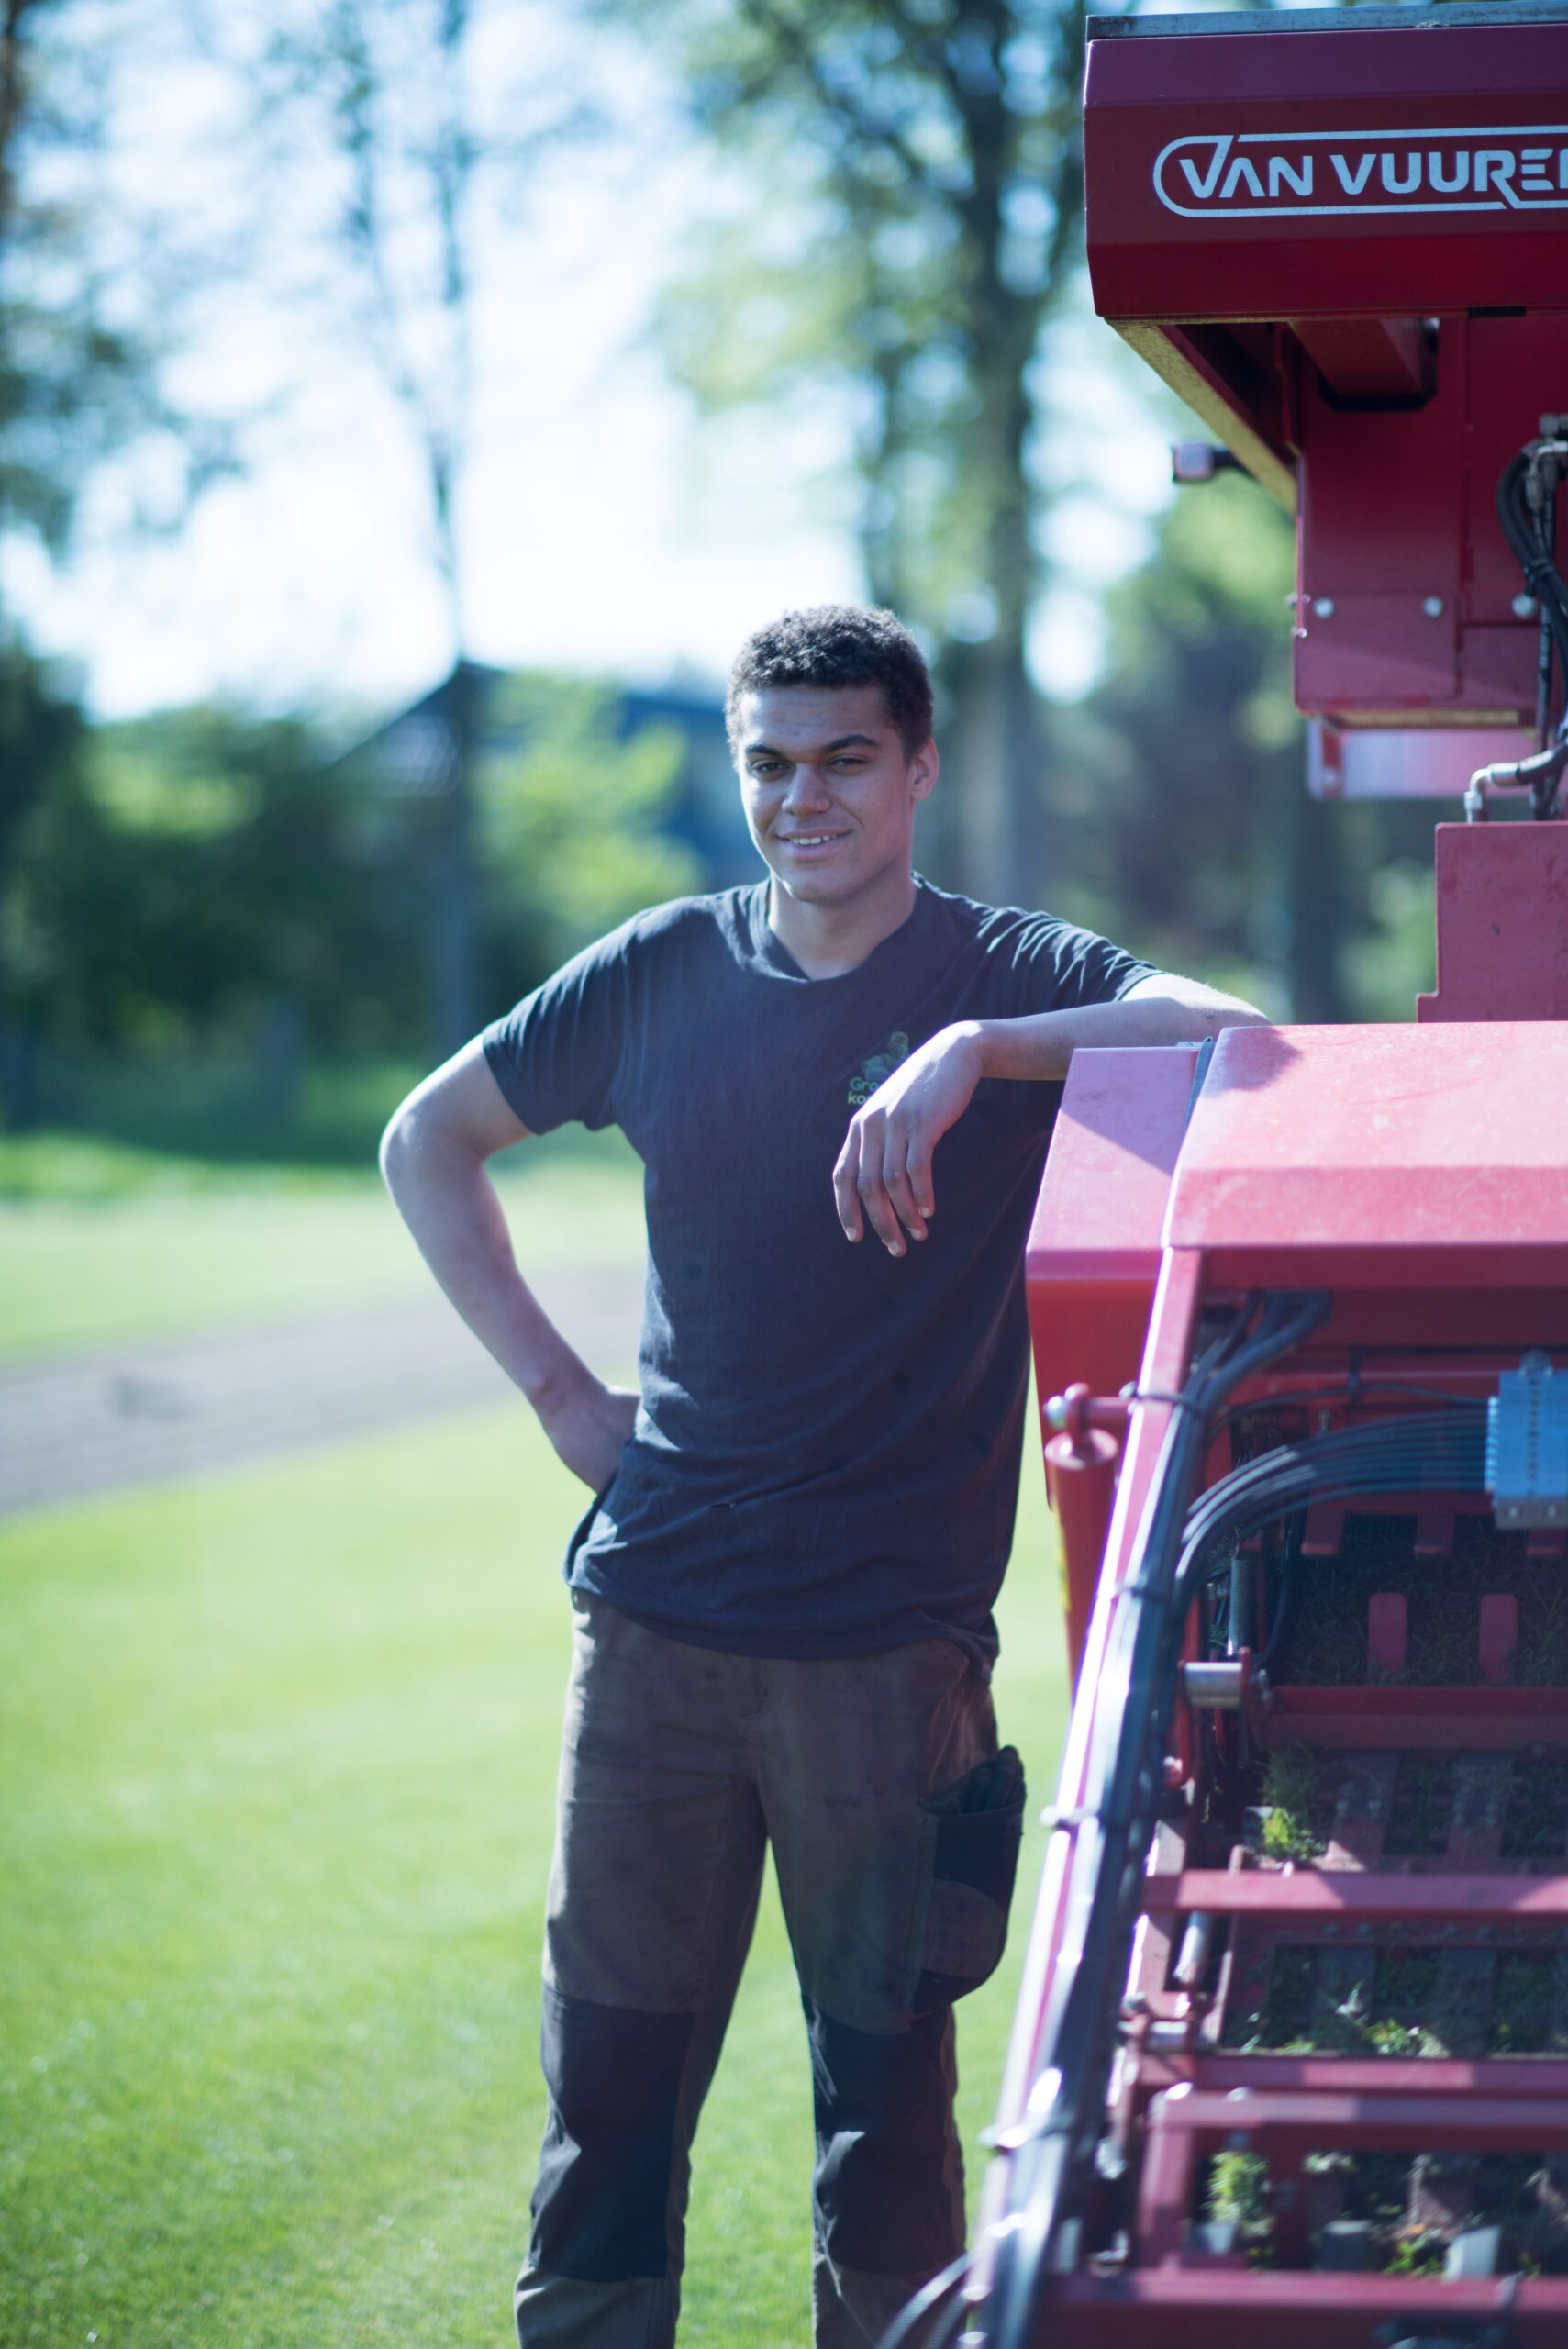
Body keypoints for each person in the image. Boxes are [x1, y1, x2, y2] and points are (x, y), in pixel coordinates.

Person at [379, 604, 1267, 2349]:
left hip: (888, 1656)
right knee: (607, 2119)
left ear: (918, 768)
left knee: (885, 2134)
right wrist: (563, 1393)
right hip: (652, 1635)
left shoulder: (993, 971)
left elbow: (1231, 1029)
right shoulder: (656, 969)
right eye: (770, 764)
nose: (805, 798)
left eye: (847, 758)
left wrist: (976, 1055)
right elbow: (428, 1137)